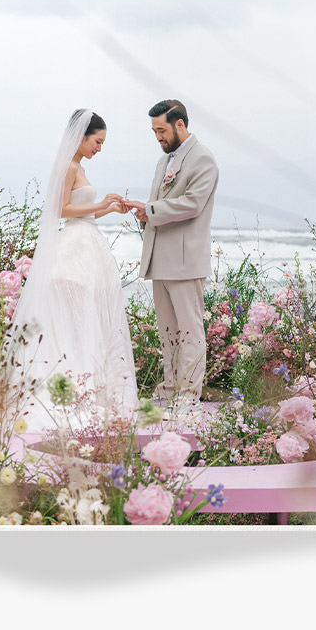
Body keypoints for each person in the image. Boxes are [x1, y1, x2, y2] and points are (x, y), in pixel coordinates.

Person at [9, 110, 139, 431]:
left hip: (87, 243)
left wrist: (108, 207)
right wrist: (99, 205)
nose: (99, 148)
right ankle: (72, 387)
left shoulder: (79, 166)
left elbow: (85, 213)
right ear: (81, 137)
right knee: (72, 319)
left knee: (87, 319)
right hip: (73, 248)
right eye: (97, 141)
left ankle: (87, 386)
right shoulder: (68, 166)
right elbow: (60, 209)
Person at [121, 100, 218, 409]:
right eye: (154, 131)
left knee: (190, 330)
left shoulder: (203, 159)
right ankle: (169, 387)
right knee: (168, 331)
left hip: (186, 259)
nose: (158, 137)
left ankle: (189, 394)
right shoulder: (164, 162)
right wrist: (145, 212)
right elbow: (161, 206)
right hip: (160, 258)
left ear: (180, 124)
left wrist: (150, 209)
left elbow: (192, 204)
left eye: (161, 130)